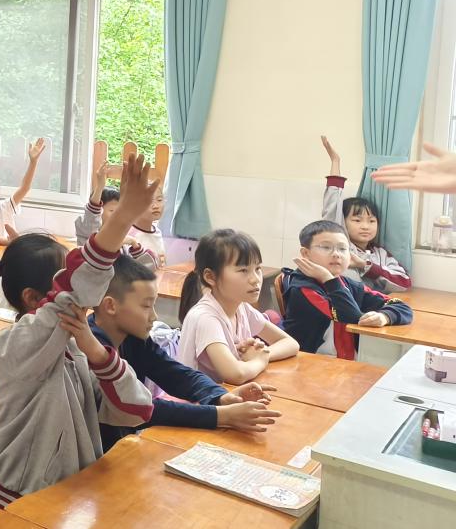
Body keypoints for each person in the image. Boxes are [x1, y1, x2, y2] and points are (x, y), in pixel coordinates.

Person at [0, 154, 157, 506]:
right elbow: (77, 288)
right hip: (16, 502)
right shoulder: (16, 344)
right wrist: (123, 216)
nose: (84, 300)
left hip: (67, 498)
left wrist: (98, 353)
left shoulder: (75, 345)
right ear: (35, 299)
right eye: (60, 283)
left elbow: (136, 409)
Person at [88, 255, 281, 450]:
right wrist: (221, 416)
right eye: (146, 306)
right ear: (110, 306)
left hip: (125, 445)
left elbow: (173, 372)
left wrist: (219, 397)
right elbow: (143, 409)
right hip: (102, 453)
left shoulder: (132, 337)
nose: (154, 316)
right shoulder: (91, 352)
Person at [176, 229, 300, 384]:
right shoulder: (206, 318)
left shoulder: (242, 308)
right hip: (199, 399)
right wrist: (258, 360)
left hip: (227, 395)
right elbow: (235, 374)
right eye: (243, 270)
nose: (255, 279)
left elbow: (291, 344)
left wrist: (261, 354)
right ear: (211, 277)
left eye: (257, 269)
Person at [281, 219, 413, 359]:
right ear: (305, 253)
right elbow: (351, 317)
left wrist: (385, 316)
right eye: (326, 247)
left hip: (344, 361)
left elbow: (402, 307)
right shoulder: (302, 288)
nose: (336, 254)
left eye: (342, 249)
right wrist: (328, 278)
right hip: (310, 362)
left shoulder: (345, 284)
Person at [319, 136, 411, 292]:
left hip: (374, 305)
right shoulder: (340, 246)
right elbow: (332, 205)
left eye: (371, 221)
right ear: (343, 222)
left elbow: (404, 283)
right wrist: (335, 161)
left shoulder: (380, 254)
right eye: (357, 220)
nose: (365, 226)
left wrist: (365, 265)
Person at [73, 154, 158, 269]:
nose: (118, 214)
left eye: (119, 210)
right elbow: (91, 217)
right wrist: (100, 187)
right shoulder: (87, 231)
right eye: (112, 211)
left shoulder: (123, 238)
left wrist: (135, 245)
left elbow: (148, 268)